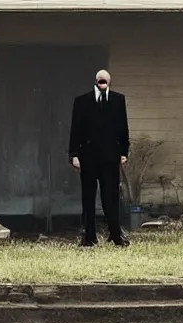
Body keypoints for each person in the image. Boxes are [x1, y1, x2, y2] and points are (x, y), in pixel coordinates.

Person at [68, 69, 130, 247]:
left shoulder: (118, 100)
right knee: (88, 197)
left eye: (105, 79)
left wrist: (124, 152)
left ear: (109, 81)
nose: (102, 82)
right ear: (96, 81)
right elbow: (75, 130)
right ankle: (89, 237)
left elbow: (123, 127)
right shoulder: (82, 101)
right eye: (100, 79)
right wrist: (74, 155)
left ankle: (116, 235)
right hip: (88, 157)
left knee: (111, 197)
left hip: (110, 157)